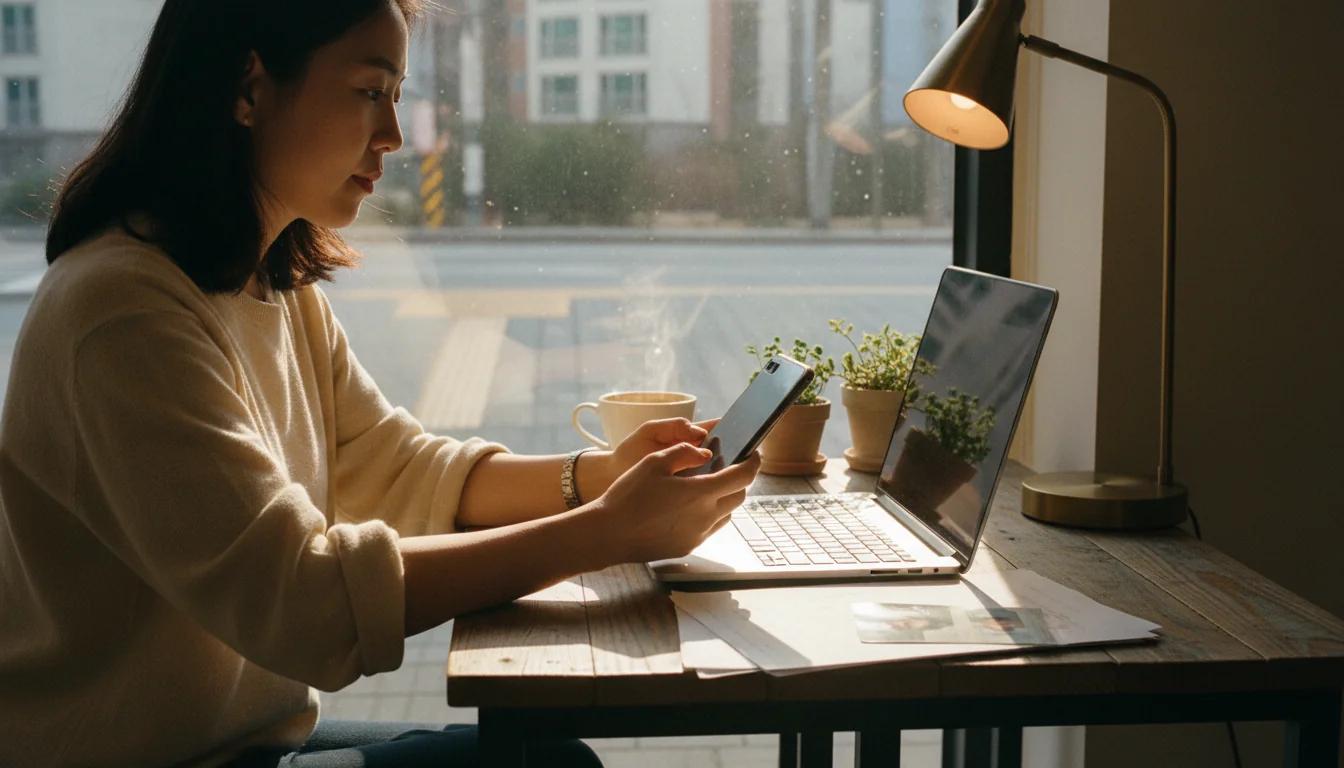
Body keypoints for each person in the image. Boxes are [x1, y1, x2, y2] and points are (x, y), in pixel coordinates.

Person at [0, 1, 760, 766]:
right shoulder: (122, 314)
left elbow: (396, 467)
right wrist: (608, 533)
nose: (394, 134)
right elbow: (304, 602)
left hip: (236, 739)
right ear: (249, 88)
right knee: (548, 764)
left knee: (539, 750)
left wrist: (600, 478)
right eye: (372, 91)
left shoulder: (272, 287)